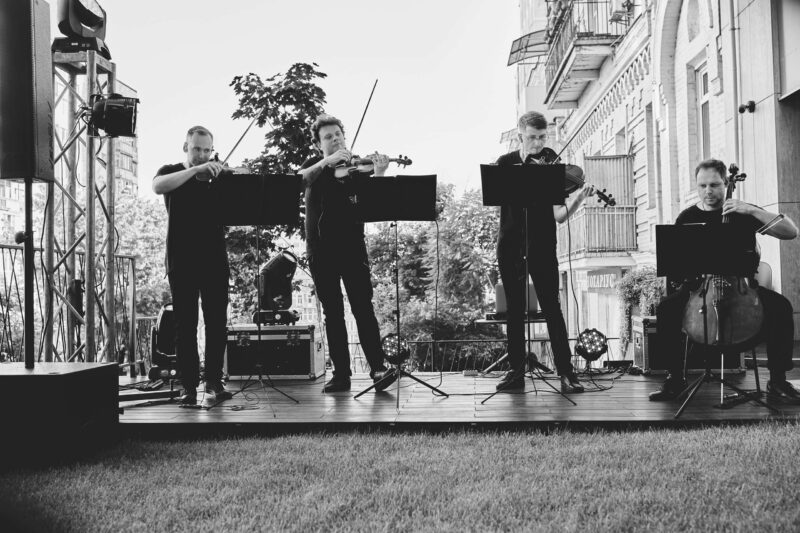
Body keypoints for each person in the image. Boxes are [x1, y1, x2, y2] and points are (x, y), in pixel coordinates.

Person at [649, 158, 800, 401]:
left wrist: (751, 210)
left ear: (725, 183)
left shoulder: (743, 212)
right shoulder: (687, 216)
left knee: (781, 307)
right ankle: (674, 379)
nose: (708, 191)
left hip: (741, 286)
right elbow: (676, 264)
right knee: (666, 309)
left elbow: (791, 232)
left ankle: (778, 381)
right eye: (702, 186)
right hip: (700, 287)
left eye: (714, 185)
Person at [495, 111, 596, 392]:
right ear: (520, 136)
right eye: (532, 137)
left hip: (542, 244)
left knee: (552, 307)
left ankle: (566, 372)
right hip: (511, 244)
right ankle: (516, 372)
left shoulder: (552, 165)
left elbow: (559, 216)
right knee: (515, 310)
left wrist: (578, 198)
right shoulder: (505, 164)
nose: (538, 144)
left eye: (542, 137)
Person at [297, 114, 398, 393]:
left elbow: (372, 205)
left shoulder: (356, 168)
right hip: (320, 249)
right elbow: (299, 180)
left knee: (363, 309)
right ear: (319, 145)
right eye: (328, 137)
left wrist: (379, 174)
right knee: (333, 313)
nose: (335, 139)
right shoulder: (313, 166)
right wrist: (327, 162)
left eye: (338, 135)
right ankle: (341, 375)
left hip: (352, 247)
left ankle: (378, 369)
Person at [152, 125, 231, 405]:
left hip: (214, 259)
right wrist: (195, 170)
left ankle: (214, 382)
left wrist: (226, 173)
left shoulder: (215, 176)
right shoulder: (172, 171)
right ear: (186, 147)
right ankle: (188, 386)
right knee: (185, 325)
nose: (202, 155)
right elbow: (157, 186)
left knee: (217, 324)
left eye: (207, 150)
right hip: (182, 259)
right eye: (197, 149)